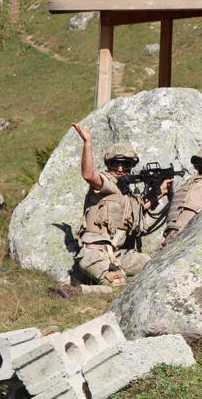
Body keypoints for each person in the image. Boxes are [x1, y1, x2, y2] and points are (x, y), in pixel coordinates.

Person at [72, 123, 170, 287]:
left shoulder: (127, 193)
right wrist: (87, 142)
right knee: (117, 283)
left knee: (154, 266)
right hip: (95, 254)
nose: (120, 168)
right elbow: (88, 175)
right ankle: (78, 291)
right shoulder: (105, 183)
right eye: (115, 163)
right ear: (108, 164)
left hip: (118, 254)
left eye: (125, 164)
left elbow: (140, 207)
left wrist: (161, 192)